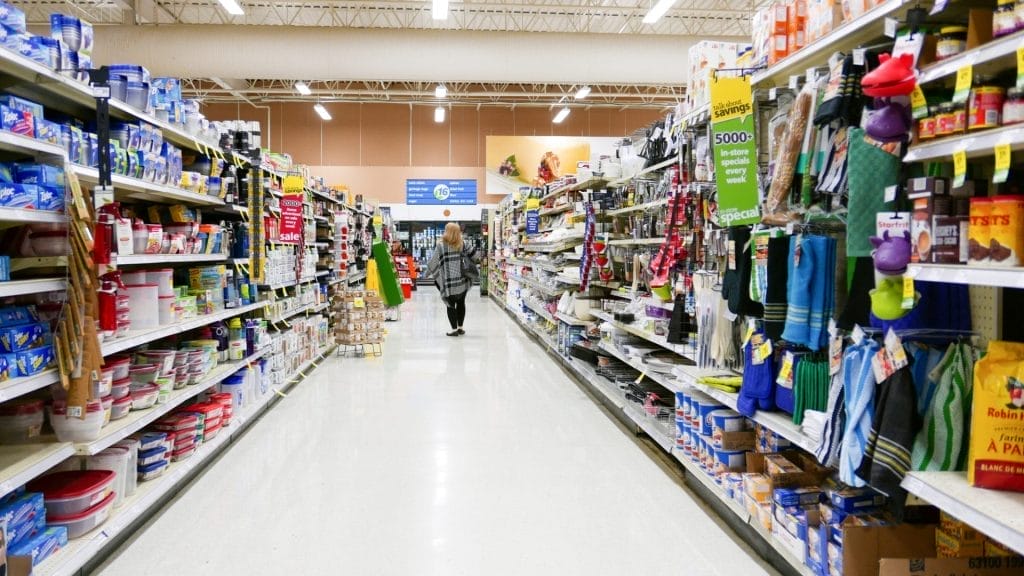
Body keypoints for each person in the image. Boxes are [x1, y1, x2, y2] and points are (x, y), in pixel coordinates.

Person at [426, 223, 478, 336]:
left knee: (450, 305)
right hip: (462, 281)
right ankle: (460, 328)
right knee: (461, 303)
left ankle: (454, 330)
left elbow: (433, 262)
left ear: (447, 231)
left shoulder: (441, 246)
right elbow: (475, 256)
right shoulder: (464, 244)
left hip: (448, 282)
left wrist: (426, 274)